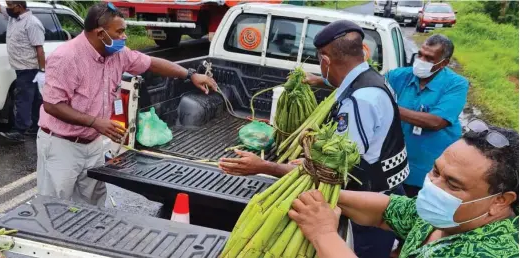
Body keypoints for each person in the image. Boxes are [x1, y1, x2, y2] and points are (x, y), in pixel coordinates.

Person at [219, 20, 408, 258]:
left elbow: (332, 171)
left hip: (368, 205)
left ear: (326, 60)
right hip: (386, 190)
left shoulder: (359, 100)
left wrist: (264, 166)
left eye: (321, 62)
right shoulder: (374, 81)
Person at [37, 2, 217, 207]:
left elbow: (151, 63)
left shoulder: (118, 54)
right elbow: (52, 105)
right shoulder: (66, 58)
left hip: (93, 144)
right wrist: (96, 122)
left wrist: (191, 75)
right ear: (100, 33)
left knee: (92, 205)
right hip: (62, 145)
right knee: (53, 207)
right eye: (120, 31)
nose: (124, 36)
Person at [289, 121, 519, 258]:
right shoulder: (449, 216)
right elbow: (384, 211)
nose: (432, 187)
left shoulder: (495, 252)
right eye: (436, 171)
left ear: (500, 201)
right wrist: (323, 190)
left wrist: (324, 234)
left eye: (453, 184)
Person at [385, 35, 468, 198]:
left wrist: (388, 106)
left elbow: (436, 122)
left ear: (444, 63)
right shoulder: (401, 76)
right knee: (392, 210)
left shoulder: (456, 84)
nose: (421, 60)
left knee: (420, 213)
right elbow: (370, 85)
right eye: (420, 54)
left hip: (429, 166)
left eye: (429, 58)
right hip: (396, 162)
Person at [0, 1, 46, 142]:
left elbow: (39, 49)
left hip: (28, 68)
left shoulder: (32, 23)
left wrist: (42, 71)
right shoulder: (13, 17)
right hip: (21, 68)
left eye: (10, 5)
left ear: (19, 6)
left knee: (23, 99)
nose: (7, 8)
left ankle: (20, 131)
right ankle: (37, 127)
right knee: (35, 99)